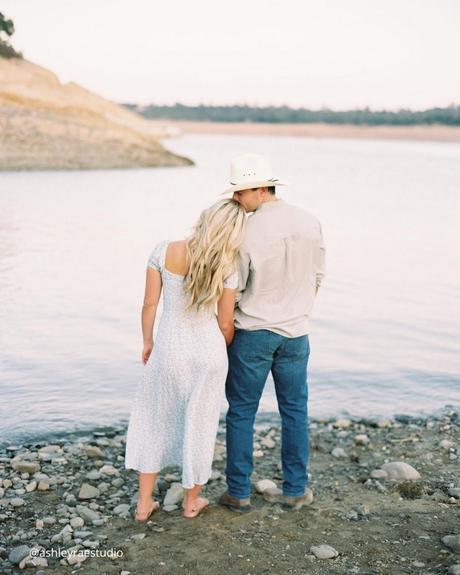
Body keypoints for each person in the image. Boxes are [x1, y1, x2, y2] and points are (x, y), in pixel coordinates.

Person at [125, 199, 246, 520]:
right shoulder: (228, 265)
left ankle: (143, 504)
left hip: (169, 350)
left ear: (204, 219)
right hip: (208, 354)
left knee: (154, 420)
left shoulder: (163, 250)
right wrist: (225, 350)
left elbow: (149, 304)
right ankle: (191, 502)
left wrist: (148, 341)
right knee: (200, 425)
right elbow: (225, 322)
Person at [218, 153, 326, 513]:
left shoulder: (244, 232)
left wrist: (230, 321)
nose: (235, 199)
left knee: (241, 412)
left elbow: (236, 285)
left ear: (259, 190)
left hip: (254, 332)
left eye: (239, 193)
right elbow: (318, 276)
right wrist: (298, 308)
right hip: (297, 333)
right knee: (295, 410)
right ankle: (295, 490)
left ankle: (238, 492)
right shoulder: (310, 221)